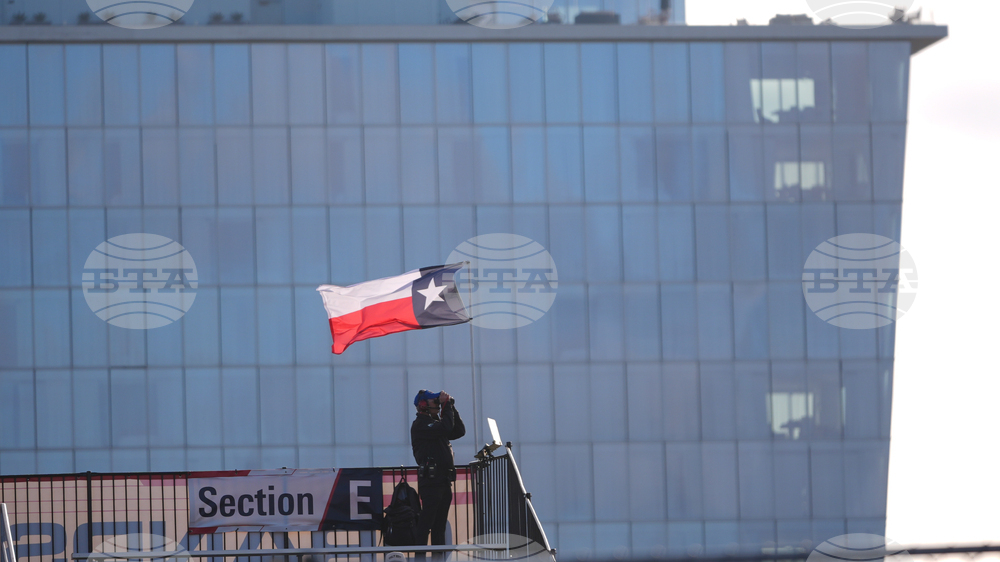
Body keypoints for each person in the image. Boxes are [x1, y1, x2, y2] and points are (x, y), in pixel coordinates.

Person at [410, 389, 465, 559]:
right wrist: (446, 406)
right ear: (424, 406)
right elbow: (446, 426)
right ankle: (420, 558)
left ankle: (438, 557)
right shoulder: (421, 424)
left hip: (443, 480)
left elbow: (458, 431)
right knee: (426, 522)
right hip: (431, 481)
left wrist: (451, 407)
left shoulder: (436, 425)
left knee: (439, 525)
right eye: (435, 402)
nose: (438, 404)